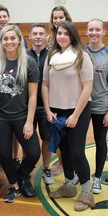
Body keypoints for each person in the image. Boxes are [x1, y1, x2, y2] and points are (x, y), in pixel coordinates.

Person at [42, 21, 94, 211]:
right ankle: (69, 185)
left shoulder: (82, 56)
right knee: (64, 151)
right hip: (57, 111)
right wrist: (48, 110)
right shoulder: (51, 57)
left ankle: (87, 193)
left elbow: (87, 88)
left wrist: (75, 116)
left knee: (77, 151)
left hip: (78, 110)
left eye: (66, 33)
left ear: (72, 36)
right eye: (59, 33)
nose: (62, 36)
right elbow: (45, 85)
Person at [0, 25, 40, 203]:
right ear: (1, 42)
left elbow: (33, 95)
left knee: (33, 153)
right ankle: (15, 186)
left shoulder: (29, 62)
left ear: (19, 40)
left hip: (22, 115)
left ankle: (22, 175)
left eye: (12, 38)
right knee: (5, 154)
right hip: (0, 116)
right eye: (5, 39)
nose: (9, 42)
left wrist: (30, 122)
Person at [47, 6, 72, 176]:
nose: (57, 21)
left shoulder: (71, 38)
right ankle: (61, 162)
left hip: (68, 94)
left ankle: (65, 164)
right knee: (56, 130)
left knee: (66, 135)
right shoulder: (50, 40)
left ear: (66, 18)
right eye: (54, 18)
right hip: (53, 94)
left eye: (60, 17)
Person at [27, 23, 54, 185]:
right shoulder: (23, 56)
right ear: (29, 37)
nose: (38, 36)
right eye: (35, 34)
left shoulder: (52, 56)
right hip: (27, 105)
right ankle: (27, 167)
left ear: (46, 37)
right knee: (27, 137)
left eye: (41, 34)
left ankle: (46, 168)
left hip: (46, 105)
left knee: (47, 138)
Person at [86, 18, 108, 194]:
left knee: (100, 142)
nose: (94, 33)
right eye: (91, 30)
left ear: (103, 32)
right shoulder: (81, 52)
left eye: (97, 30)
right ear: (86, 32)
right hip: (82, 106)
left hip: (102, 106)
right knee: (75, 143)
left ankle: (97, 177)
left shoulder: (107, 53)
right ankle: (80, 174)